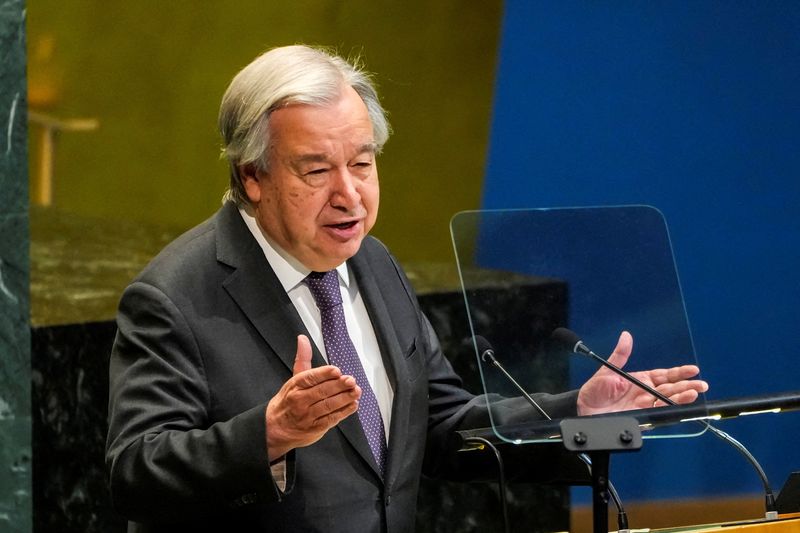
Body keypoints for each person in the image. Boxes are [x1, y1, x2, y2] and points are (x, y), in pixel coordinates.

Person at [105, 45, 708, 533]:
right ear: (252, 177)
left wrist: (577, 412)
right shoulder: (175, 296)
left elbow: (442, 424)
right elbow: (135, 471)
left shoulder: (373, 262)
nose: (350, 194)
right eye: (316, 170)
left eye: (363, 164)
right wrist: (271, 433)